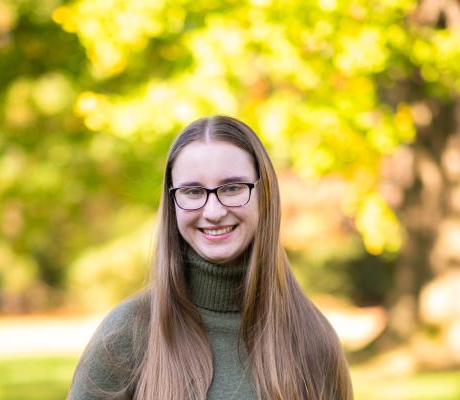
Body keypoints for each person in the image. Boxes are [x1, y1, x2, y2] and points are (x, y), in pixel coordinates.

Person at [68, 115, 353, 400]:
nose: (214, 212)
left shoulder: (313, 340)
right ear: (173, 203)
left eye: (232, 188)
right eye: (192, 191)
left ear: (264, 194)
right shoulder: (127, 333)